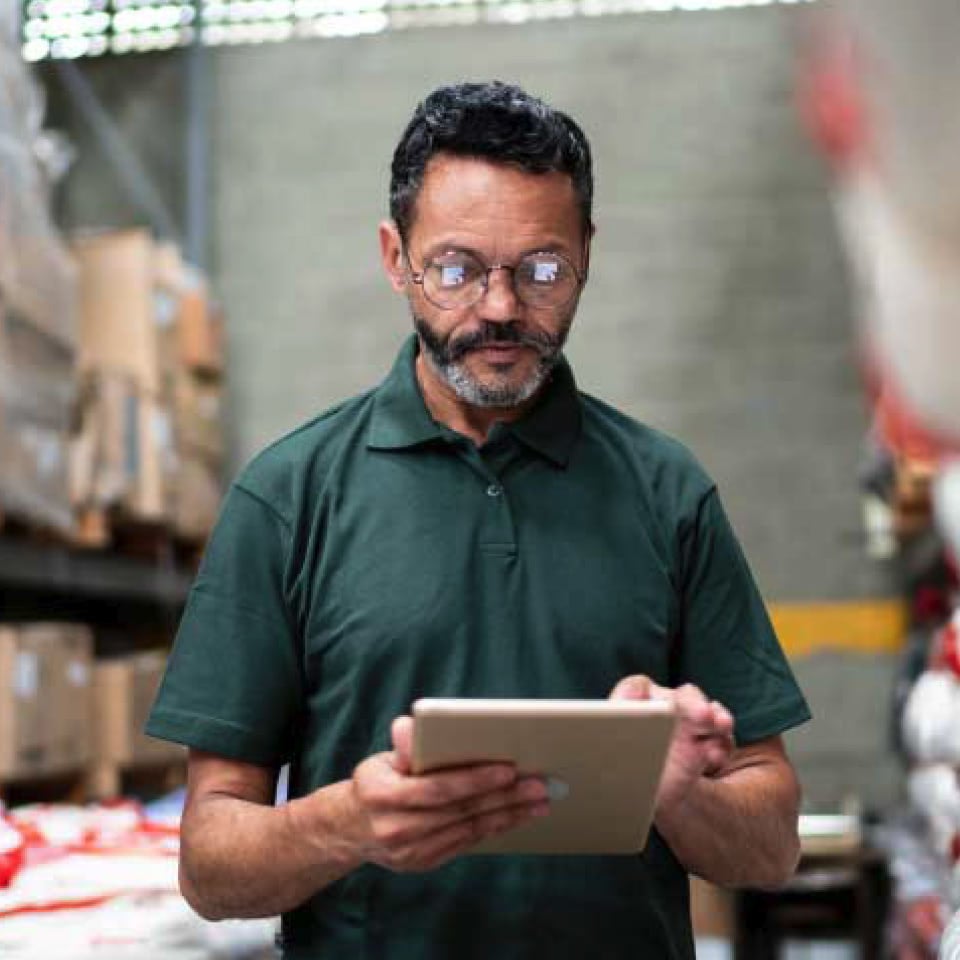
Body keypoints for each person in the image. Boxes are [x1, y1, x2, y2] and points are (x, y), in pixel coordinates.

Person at [146, 80, 811, 959]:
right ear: (395, 258)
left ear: (587, 254)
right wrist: (348, 822)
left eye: (541, 269)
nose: (500, 308)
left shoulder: (666, 491)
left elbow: (772, 847)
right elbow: (209, 864)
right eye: (457, 269)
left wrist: (672, 789)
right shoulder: (289, 495)